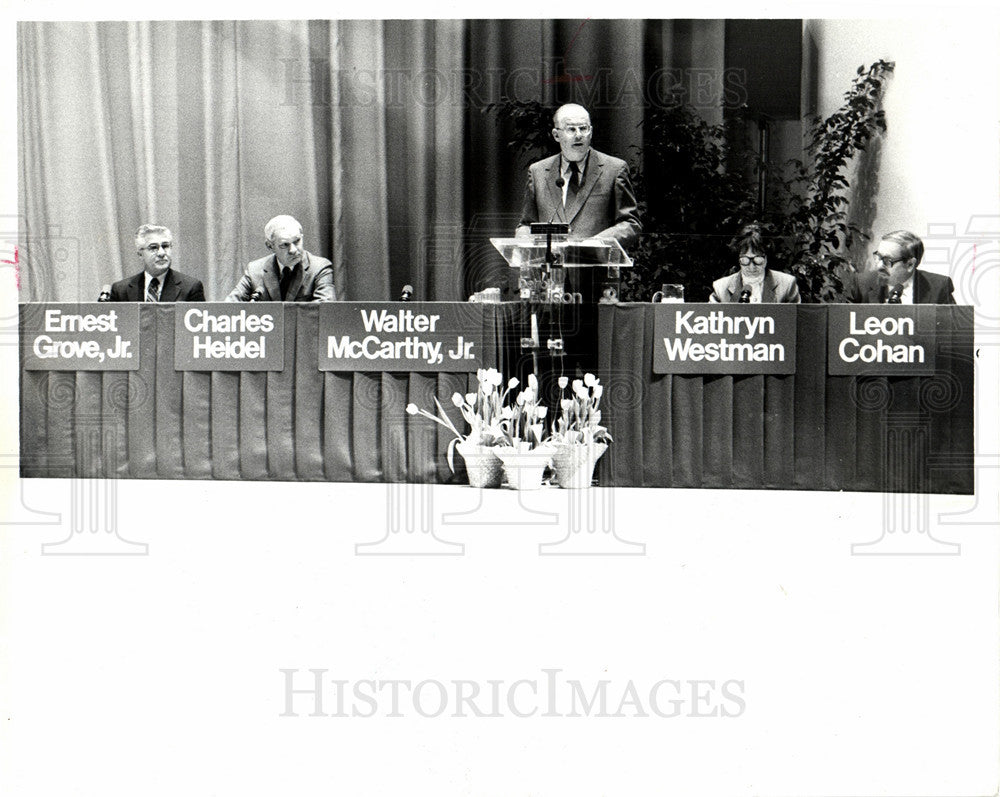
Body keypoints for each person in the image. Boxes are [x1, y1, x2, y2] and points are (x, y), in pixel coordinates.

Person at [515, 103, 641, 249]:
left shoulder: (614, 169)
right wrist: (522, 242)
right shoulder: (538, 171)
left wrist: (597, 242)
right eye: (571, 129)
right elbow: (526, 224)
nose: (579, 135)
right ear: (556, 135)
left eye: (583, 128)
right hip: (551, 268)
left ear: (591, 132)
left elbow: (630, 224)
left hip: (594, 266)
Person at [225, 215, 337, 302]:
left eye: (297, 241)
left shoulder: (320, 268)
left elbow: (325, 310)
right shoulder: (254, 270)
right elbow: (229, 307)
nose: (293, 250)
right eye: (285, 245)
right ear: (270, 246)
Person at [843, 230, 955, 304]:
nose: (879, 265)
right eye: (878, 257)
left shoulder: (939, 287)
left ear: (910, 264)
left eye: (887, 260)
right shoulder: (861, 283)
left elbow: (953, 334)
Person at [109, 224, 205, 302]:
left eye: (165, 246)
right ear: (140, 254)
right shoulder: (121, 290)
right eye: (154, 247)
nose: (161, 253)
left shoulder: (191, 287)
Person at [709, 223, 801, 303]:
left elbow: (796, 321)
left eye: (758, 259)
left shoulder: (787, 285)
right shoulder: (721, 288)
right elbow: (712, 320)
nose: (752, 267)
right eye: (745, 259)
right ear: (738, 259)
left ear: (766, 257)